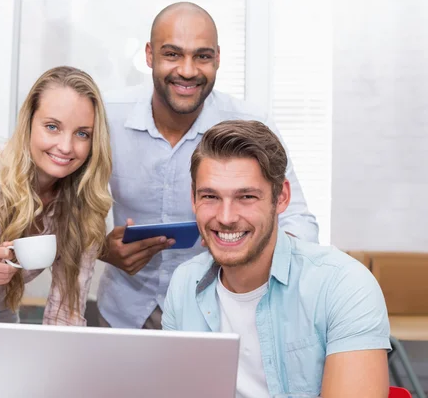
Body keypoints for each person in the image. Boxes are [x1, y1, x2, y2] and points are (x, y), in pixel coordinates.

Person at [97, 2, 319, 329]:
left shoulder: (251, 123)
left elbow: (300, 223)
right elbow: (58, 207)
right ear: (149, 55)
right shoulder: (106, 117)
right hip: (124, 312)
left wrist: (250, 246)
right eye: (172, 54)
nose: (187, 70)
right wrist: (100, 248)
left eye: (201, 56)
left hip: (220, 315)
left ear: (217, 58)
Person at [162, 120, 390, 398]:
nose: (225, 217)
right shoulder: (184, 283)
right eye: (210, 196)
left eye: (246, 196)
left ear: (281, 197)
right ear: (193, 198)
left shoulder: (343, 286)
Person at [0, 66, 112, 324]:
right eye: (52, 127)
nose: (66, 147)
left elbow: (66, 313)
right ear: (29, 123)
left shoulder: (85, 206)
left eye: (82, 134)